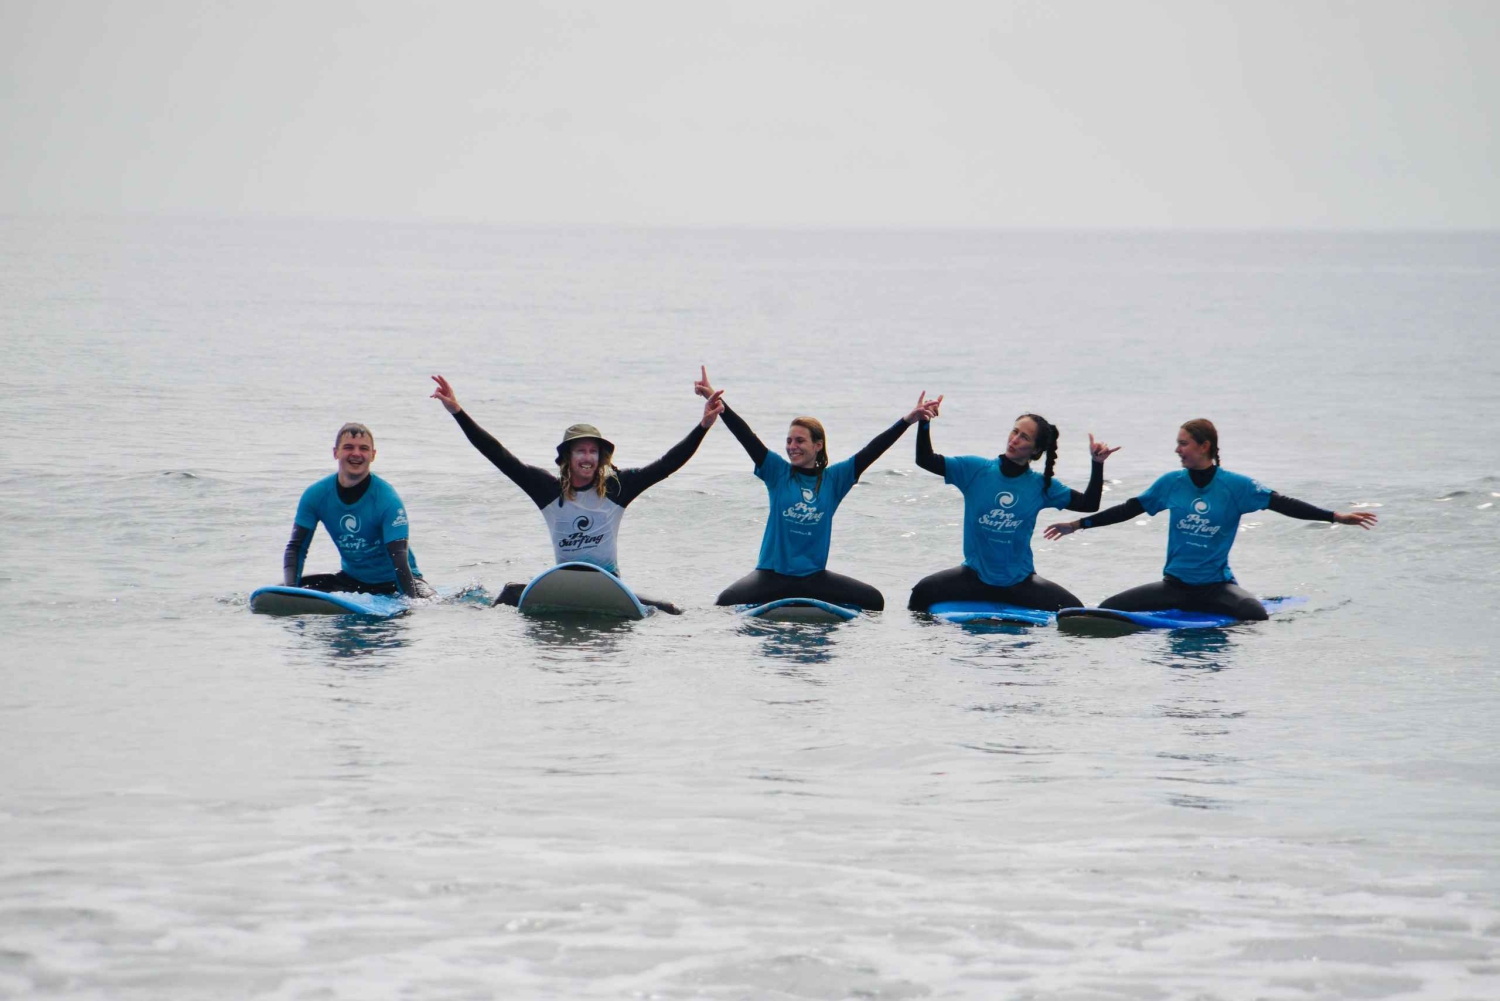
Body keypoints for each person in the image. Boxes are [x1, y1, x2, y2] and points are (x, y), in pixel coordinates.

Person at [430, 374, 724, 612]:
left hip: (608, 585)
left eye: (593, 451)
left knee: (670, 611)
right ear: (567, 457)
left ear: (601, 457)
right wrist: (457, 411)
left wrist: (703, 427)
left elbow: (666, 464)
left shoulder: (617, 488)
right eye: (581, 450)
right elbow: (498, 455)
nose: (587, 457)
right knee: (508, 594)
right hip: (562, 583)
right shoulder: (547, 489)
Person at [1044, 418, 1378, 619]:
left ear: (1205, 446)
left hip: (1216, 588)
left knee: (1254, 614)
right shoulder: (1170, 484)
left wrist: (1336, 517)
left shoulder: (1236, 487)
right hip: (1173, 587)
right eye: (1177, 443)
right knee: (1106, 610)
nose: (1177, 450)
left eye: (1183, 444)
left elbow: (1283, 504)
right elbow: (1130, 508)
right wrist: (1078, 524)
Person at [694, 366, 939, 611]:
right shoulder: (778, 472)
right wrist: (718, 403)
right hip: (772, 577)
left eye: (800, 440)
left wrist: (908, 420)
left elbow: (872, 451)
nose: (792, 446)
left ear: (818, 445)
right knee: (724, 603)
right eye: (789, 441)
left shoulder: (835, 480)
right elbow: (747, 436)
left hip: (813, 579)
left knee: (875, 601)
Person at [908, 403, 1119, 612]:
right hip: (974, 578)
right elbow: (925, 460)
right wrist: (924, 423)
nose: (1015, 440)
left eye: (1024, 437)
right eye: (1015, 432)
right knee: (921, 593)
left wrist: (1097, 464)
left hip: (1020, 583)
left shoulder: (1041, 485)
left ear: (1036, 450)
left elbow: (1089, 503)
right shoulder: (974, 470)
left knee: (1073, 611)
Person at [283, 422, 435, 599]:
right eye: (348, 447)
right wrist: (290, 592)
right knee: (295, 587)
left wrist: (410, 602)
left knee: (429, 602)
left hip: (398, 580)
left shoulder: (387, 499)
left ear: (373, 455)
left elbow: (399, 558)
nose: (356, 454)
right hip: (353, 581)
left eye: (363, 448)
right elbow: (296, 548)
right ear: (336, 452)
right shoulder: (316, 495)